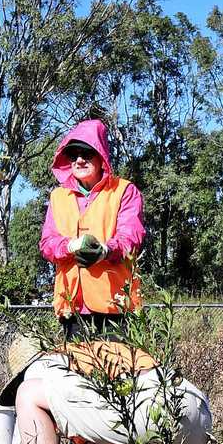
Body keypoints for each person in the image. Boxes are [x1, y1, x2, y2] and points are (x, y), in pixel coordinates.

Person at [0, 334, 213, 444]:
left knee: (27, 394)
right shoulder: (85, 355)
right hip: (198, 417)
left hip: (154, 407)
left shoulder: (42, 365)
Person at [39, 119, 145, 340]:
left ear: (101, 155)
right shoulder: (58, 197)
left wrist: (105, 251)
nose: (79, 159)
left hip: (115, 307)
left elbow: (131, 236)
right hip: (72, 308)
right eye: (73, 154)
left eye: (87, 153)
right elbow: (47, 243)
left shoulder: (124, 191)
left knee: (120, 372)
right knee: (75, 373)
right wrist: (69, 245)